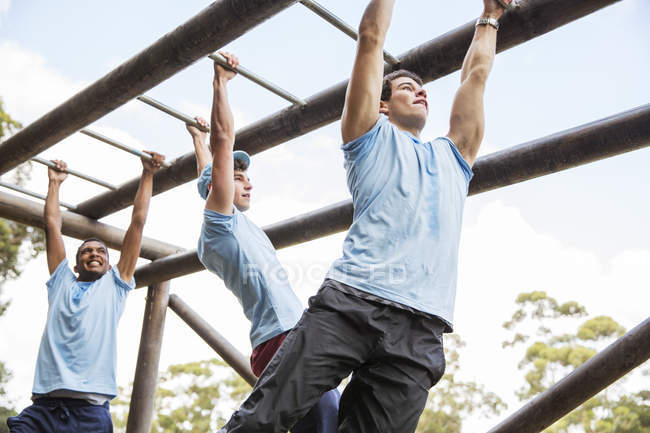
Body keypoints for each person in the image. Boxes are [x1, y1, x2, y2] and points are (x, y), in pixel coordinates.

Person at [217, 0, 512, 431]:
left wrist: (491, 15)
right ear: (382, 105)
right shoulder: (366, 137)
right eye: (407, 87)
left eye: (423, 87)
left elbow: (476, 76)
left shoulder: (455, 156)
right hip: (351, 303)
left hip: (421, 329)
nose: (421, 90)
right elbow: (371, 39)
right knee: (262, 419)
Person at [186, 52, 339, 433]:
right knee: (324, 423)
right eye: (237, 177)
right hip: (283, 339)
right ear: (219, 188)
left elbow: (210, 167)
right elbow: (224, 146)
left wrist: (197, 140)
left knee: (327, 421)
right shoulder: (219, 225)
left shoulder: (234, 224)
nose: (248, 181)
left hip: (288, 337)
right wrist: (220, 83)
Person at [7, 152, 165, 432]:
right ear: (77, 263)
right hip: (44, 407)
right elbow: (53, 225)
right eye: (86, 251)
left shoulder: (115, 285)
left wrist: (148, 174)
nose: (93, 254)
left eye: (100, 251)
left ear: (108, 262)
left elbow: (138, 222)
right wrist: (55, 183)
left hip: (89, 412)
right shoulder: (61, 283)